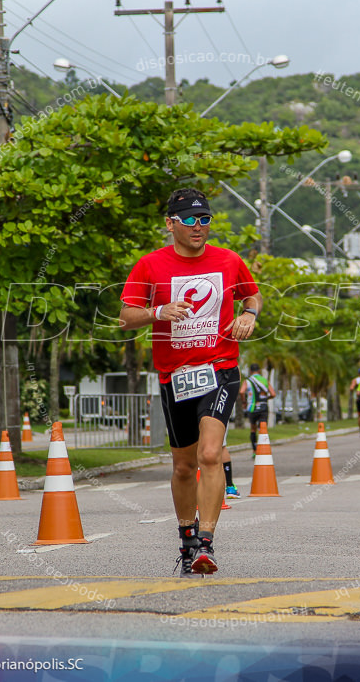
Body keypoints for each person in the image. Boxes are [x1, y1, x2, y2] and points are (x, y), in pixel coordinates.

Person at [119, 188, 259, 576]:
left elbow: (253, 297)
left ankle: (207, 543)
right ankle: (186, 538)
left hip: (220, 367)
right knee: (183, 466)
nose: (200, 228)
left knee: (210, 454)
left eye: (205, 220)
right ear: (171, 223)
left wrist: (250, 316)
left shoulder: (229, 260)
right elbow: (126, 317)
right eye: (191, 220)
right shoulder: (150, 265)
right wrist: (159, 311)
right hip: (175, 376)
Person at [240, 363, 275, 454]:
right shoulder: (265, 380)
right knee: (262, 429)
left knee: (253, 429)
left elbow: (241, 391)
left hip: (252, 407)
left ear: (250, 371)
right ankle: (263, 449)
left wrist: (244, 401)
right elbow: (273, 394)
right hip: (263, 407)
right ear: (259, 371)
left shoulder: (247, 381)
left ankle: (254, 450)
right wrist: (265, 398)